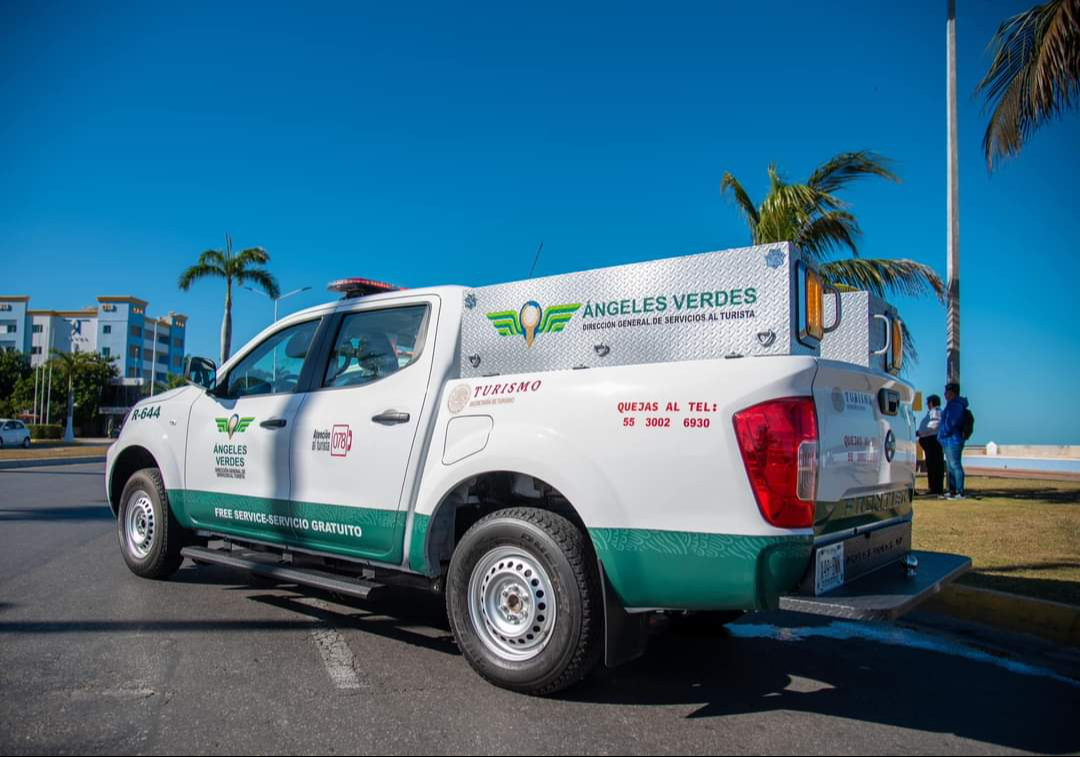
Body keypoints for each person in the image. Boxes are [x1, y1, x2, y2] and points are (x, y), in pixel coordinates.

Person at [938, 382, 969, 499]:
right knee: (950, 466)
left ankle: (959, 491)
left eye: (946, 392)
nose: (944, 394)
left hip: (953, 440)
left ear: (951, 392)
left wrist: (943, 433)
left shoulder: (955, 405)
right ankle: (952, 490)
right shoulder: (951, 404)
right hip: (948, 440)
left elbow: (951, 422)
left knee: (955, 465)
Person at [917, 395, 944, 495]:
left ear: (931, 403)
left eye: (928, 403)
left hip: (932, 440)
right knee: (932, 465)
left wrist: (920, 432)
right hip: (929, 440)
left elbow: (934, 425)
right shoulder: (933, 412)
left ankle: (935, 488)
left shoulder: (936, 412)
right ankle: (933, 487)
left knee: (934, 465)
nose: (927, 405)